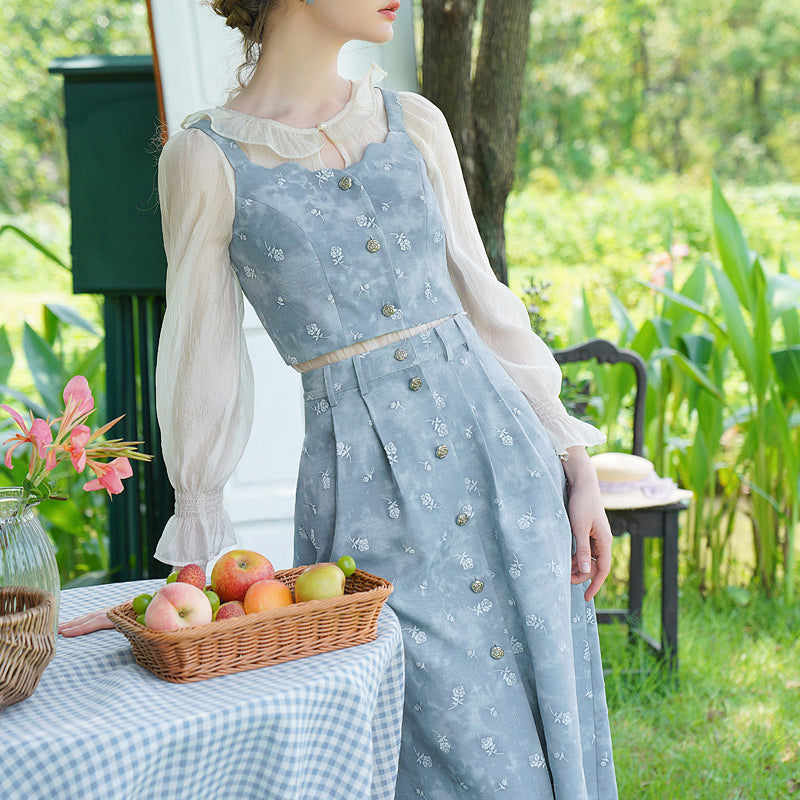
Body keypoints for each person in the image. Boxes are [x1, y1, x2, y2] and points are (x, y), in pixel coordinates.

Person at [60, 1, 618, 797]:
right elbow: (199, 357)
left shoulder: (413, 121)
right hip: (369, 490)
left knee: (548, 705)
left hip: (506, 463)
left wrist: (574, 459)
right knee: (430, 732)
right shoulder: (205, 157)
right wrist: (195, 555)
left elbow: (484, 303)